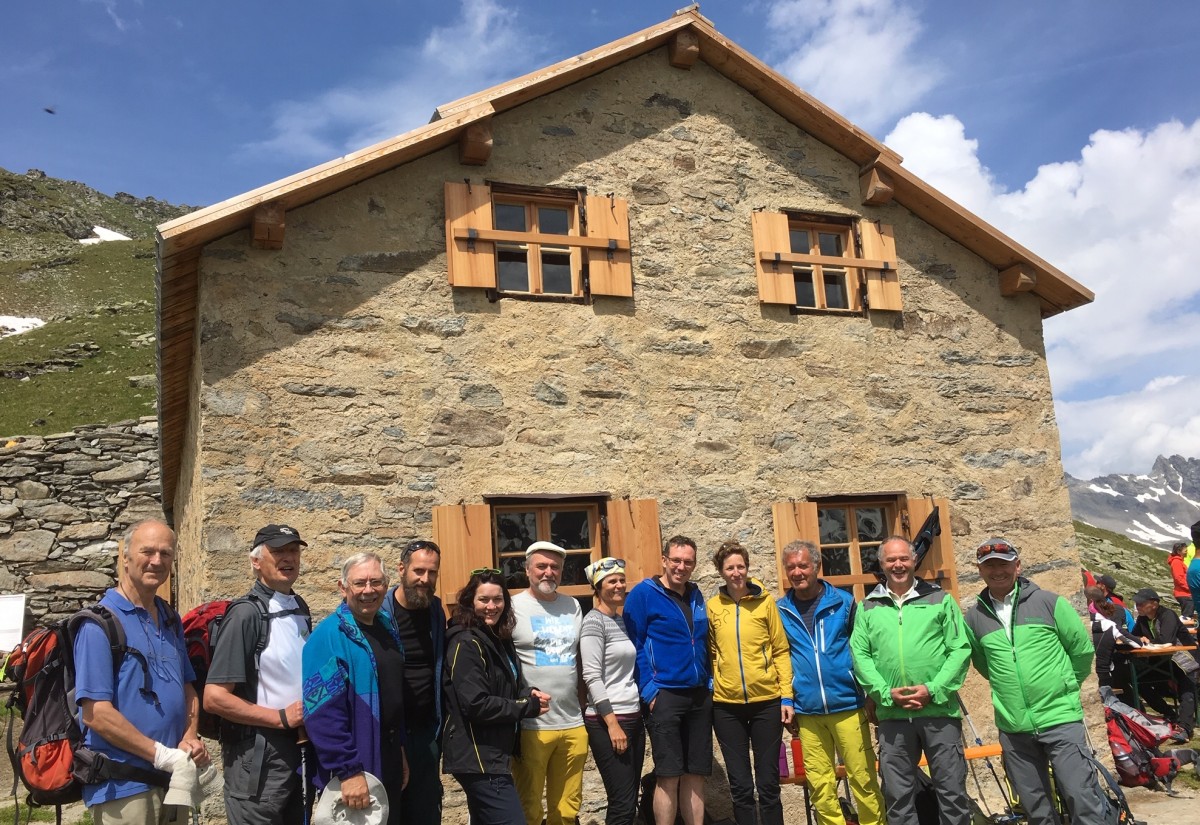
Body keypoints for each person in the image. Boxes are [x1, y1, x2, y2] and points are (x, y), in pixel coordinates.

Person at [963, 537, 1109, 825]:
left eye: (1003, 564)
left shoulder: (1050, 602)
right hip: (1013, 727)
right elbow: (983, 663)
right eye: (989, 566)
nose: (997, 571)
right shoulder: (975, 617)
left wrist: (1065, 687)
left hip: (1060, 719)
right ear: (980, 571)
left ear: (1017, 566)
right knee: (1035, 807)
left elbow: (1080, 651)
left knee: (1081, 796)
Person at [74, 519, 210, 825]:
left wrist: (189, 737)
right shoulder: (99, 625)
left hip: (173, 780)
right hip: (124, 788)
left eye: (165, 553)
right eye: (147, 551)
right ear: (125, 556)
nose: (157, 561)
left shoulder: (169, 617)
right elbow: (96, 714)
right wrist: (160, 755)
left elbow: (187, 687)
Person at [850, 536, 972, 825]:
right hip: (892, 715)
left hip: (938, 712)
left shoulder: (940, 600)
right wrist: (884, 694)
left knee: (952, 794)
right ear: (881, 564)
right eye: (891, 560)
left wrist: (933, 689)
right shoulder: (868, 606)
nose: (898, 565)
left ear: (914, 560)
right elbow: (860, 655)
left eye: (903, 558)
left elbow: (960, 649)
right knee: (898, 797)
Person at [205, 524, 312, 825]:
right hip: (258, 758)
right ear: (256, 561)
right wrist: (280, 718)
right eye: (278, 551)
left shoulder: (298, 606)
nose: (288, 558)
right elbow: (214, 698)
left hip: (297, 749)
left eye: (293, 550)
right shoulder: (245, 614)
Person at [776, 540, 884, 825]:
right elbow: (779, 657)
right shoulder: (780, 610)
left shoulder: (844, 602)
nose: (797, 572)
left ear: (817, 566)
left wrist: (870, 694)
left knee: (863, 780)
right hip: (807, 711)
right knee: (821, 788)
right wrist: (786, 700)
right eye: (791, 567)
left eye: (803, 565)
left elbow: (864, 650)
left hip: (848, 704)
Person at [302, 552, 408, 825]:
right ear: (343, 587)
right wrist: (348, 771)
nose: (368, 590)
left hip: (388, 753)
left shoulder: (386, 627)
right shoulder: (329, 637)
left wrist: (400, 752)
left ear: (387, 585)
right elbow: (322, 714)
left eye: (376, 582)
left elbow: (392, 698)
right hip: (356, 762)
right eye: (360, 583)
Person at [442, 568, 551, 824]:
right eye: (484, 600)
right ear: (470, 602)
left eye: (498, 599)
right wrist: (527, 707)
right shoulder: (467, 643)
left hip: (493, 752)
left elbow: (506, 685)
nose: (491, 606)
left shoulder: (497, 638)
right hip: (478, 756)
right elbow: (476, 704)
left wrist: (527, 692)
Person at [624, 535, 712, 825]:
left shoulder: (696, 595)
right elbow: (633, 645)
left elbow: (702, 642)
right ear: (664, 560)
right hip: (665, 695)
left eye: (688, 562)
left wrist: (708, 681)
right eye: (676, 560)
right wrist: (649, 689)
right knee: (669, 774)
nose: (681, 566)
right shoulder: (643, 595)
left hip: (698, 694)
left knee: (695, 773)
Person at [706, 540, 792, 825]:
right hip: (726, 707)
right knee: (741, 786)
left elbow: (780, 649)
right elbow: (712, 652)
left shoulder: (765, 602)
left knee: (768, 784)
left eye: (740, 566)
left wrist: (787, 697)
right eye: (730, 567)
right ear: (721, 571)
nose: (736, 572)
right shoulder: (713, 607)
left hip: (766, 703)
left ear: (747, 567)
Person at [510, 541, 586, 825]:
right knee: (528, 806)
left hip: (572, 722)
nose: (548, 573)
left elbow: (579, 657)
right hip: (532, 725)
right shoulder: (513, 606)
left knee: (566, 809)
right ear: (528, 569)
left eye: (555, 567)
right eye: (541, 566)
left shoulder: (573, 606)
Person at [384, 539, 447, 825]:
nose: (425, 579)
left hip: (425, 731)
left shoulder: (435, 609)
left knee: (426, 812)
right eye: (418, 571)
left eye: (431, 573)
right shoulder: (380, 612)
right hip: (387, 732)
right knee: (389, 811)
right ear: (401, 569)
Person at [580, 557, 644, 825]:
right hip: (609, 721)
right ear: (597, 587)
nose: (619, 585)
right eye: (611, 581)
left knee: (629, 800)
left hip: (633, 717)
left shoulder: (619, 620)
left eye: (621, 580)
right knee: (622, 802)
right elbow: (592, 677)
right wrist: (612, 724)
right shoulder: (593, 623)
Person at [1131, 588, 1197, 738]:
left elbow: (1166, 640)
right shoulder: (1142, 619)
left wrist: (1144, 641)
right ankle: (1169, 715)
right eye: (1137, 604)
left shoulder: (1168, 615)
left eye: (1141, 603)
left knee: (1186, 685)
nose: (1138, 607)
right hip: (1162, 659)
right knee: (1140, 681)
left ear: (1154, 604)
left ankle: (1185, 728)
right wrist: (1137, 640)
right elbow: (1135, 637)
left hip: (1184, 657)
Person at [1168, 542, 1194, 619]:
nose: (1186, 552)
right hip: (1184, 594)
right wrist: (1190, 588)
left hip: (1184, 593)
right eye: (1185, 551)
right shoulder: (1176, 562)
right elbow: (1179, 579)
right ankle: (1184, 629)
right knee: (1187, 616)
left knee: (1189, 614)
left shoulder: (1179, 561)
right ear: (1179, 552)